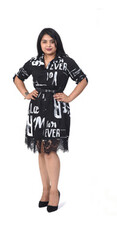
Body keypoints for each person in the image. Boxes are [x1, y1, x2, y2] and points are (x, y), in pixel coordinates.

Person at [13, 28, 88, 213]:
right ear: (40, 43)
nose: (48, 45)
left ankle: (54, 191)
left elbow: (83, 80)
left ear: (57, 43)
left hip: (56, 110)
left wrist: (69, 97)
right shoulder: (34, 61)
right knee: (40, 150)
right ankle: (45, 189)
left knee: (50, 150)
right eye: (44, 41)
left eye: (51, 41)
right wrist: (26, 94)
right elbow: (17, 78)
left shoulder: (65, 61)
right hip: (36, 110)